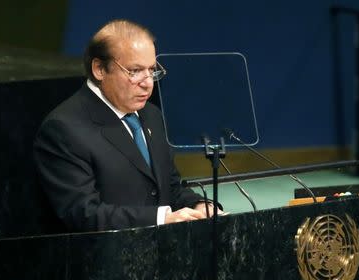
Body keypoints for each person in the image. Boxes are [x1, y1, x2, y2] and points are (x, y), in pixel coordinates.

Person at [33, 19, 221, 232]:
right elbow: (84, 213)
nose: (148, 82)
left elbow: (169, 188)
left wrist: (199, 205)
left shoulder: (151, 115)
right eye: (135, 71)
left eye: (151, 70)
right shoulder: (63, 129)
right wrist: (161, 218)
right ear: (99, 69)